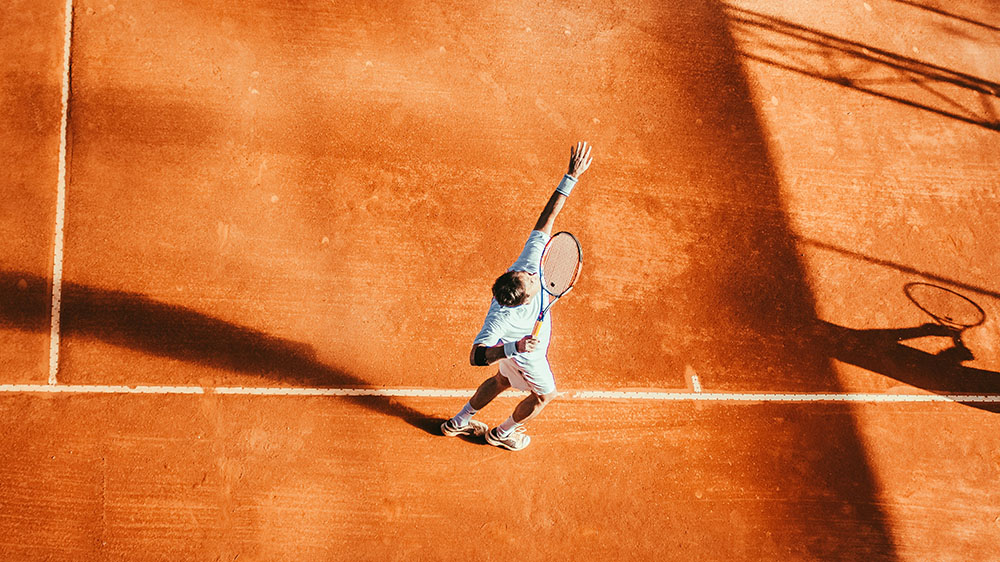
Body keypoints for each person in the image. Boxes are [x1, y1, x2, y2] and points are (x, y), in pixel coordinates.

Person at [441, 142, 593, 451]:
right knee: (544, 396)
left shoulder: (528, 264)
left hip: (515, 354)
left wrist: (571, 177)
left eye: (528, 274)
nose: (536, 276)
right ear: (523, 301)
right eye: (532, 282)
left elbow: (546, 219)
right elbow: (475, 356)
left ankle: (458, 422)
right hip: (526, 358)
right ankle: (502, 433)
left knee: (502, 381)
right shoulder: (501, 318)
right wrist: (515, 348)